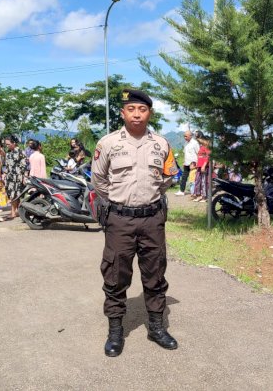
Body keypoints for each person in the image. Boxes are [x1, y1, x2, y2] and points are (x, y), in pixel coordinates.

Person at [91, 88, 179, 358]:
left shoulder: (161, 144)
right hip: (120, 219)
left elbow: (169, 178)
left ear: (149, 113)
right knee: (116, 275)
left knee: (155, 274)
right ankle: (116, 331)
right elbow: (99, 180)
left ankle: (156, 327)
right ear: (123, 113)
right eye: (132, 109)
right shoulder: (107, 144)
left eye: (142, 110)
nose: (137, 114)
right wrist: (119, 202)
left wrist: (148, 198)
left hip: (152, 219)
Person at [3, 135, 27, 219]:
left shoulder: (21, 152)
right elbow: (6, 165)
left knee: (15, 195)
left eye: (8, 144)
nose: (7, 146)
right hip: (9, 177)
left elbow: (24, 166)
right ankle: (17, 211)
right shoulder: (8, 153)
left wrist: (23, 177)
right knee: (11, 195)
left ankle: (13, 212)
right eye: (6, 144)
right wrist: (4, 174)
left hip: (18, 177)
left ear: (14, 143)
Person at [176, 130, 200, 196]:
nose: (185, 137)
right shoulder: (186, 143)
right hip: (186, 163)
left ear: (190, 136)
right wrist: (184, 161)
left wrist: (198, 164)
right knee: (184, 177)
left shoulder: (195, 143)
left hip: (193, 164)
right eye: (184, 136)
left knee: (194, 178)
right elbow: (185, 153)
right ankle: (181, 191)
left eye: (186, 136)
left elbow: (199, 153)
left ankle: (196, 192)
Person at [192, 137, 211, 202]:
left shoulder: (206, 147)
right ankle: (198, 195)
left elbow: (207, 157)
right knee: (197, 181)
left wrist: (204, 165)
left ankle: (205, 197)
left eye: (200, 141)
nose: (199, 142)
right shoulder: (201, 147)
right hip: (199, 167)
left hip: (204, 167)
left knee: (203, 181)